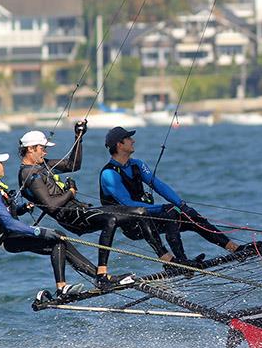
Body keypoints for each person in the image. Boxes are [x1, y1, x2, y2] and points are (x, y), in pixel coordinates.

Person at [17, 122, 174, 288]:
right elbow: (51, 206)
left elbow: (73, 165)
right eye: (42, 148)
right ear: (31, 149)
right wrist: (71, 192)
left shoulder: (42, 165)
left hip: (81, 210)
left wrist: (79, 137)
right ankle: (102, 275)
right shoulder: (29, 174)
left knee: (140, 211)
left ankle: (167, 259)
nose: (45, 151)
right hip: (71, 217)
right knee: (111, 219)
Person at [99, 127, 259, 262]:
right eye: (128, 138)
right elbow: (127, 204)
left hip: (149, 216)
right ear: (119, 144)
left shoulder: (137, 164)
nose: (133, 141)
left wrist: (180, 204)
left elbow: (158, 185)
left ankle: (235, 249)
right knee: (168, 213)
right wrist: (163, 207)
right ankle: (179, 262)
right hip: (131, 225)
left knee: (191, 217)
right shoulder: (109, 174)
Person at [0, 149, 97, 296]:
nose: (3, 165)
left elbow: (2, 212)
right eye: (0, 163)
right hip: (9, 238)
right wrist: (39, 231)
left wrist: (22, 208)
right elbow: (8, 223)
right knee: (56, 240)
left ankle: (98, 277)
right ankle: (63, 288)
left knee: (59, 240)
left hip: (13, 234)